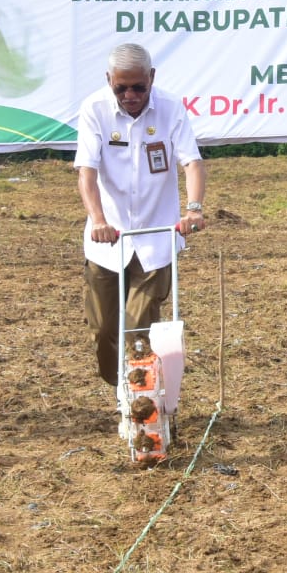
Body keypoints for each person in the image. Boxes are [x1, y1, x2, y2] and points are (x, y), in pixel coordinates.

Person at [76, 43, 205, 393]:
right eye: (121, 88)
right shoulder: (94, 109)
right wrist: (98, 220)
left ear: (152, 78)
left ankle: (140, 399)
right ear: (108, 80)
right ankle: (122, 385)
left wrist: (193, 209)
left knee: (137, 330)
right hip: (107, 241)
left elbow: (191, 162)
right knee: (103, 330)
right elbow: (86, 173)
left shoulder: (171, 109)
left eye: (138, 87)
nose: (130, 95)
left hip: (155, 240)